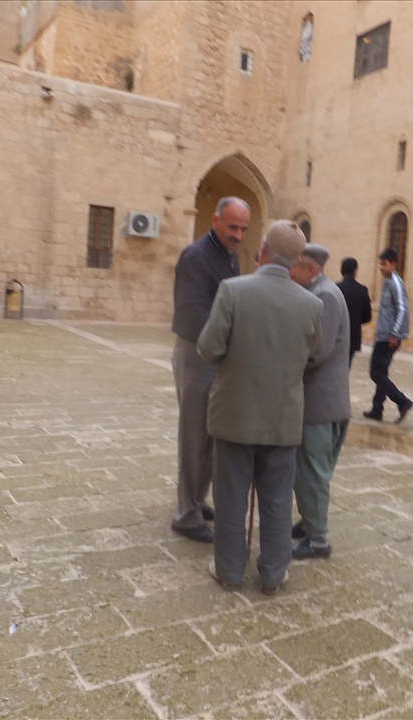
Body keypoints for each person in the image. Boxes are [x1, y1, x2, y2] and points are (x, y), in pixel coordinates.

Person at [197, 220, 323, 595]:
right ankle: (273, 574)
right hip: (283, 418)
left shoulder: (233, 290)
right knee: (278, 498)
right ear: (294, 259)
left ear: (264, 248)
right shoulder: (312, 303)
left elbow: (208, 348)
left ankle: (230, 571)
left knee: (231, 497)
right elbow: (313, 355)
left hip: (234, 413)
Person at [169, 197, 248, 543]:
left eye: (244, 228)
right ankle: (186, 515)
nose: (239, 234)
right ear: (215, 221)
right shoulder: (197, 256)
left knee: (210, 434)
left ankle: (198, 501)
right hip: (197, 354)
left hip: (215, 356)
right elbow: (191, 312)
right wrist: (223, 344)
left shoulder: (228, 255)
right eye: (233, 226)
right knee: (194, 435)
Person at [288, 244, 350, 559]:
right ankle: (310, 522)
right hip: (324, 402)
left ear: (309, 269)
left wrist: (281, 363)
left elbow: (317, 351)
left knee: (313, 472)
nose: (289, 272)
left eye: (293, 267)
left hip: (320, 403)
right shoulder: (322, 291)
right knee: (310, 470)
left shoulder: (323, 296)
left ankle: (318, 540)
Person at [363, 249, 413, 423]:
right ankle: (377, 409)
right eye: (380, 263)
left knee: (375, 373)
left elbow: (402, 309)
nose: (381, 267)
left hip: (390, 338)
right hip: (384, 336)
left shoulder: (396, 284)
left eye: (384, 264)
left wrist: (394, 334)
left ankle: (402, 401)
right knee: (381, 373)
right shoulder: (388, 282)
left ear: (394, 264)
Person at [337, 257, 372, 367]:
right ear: (355, 272)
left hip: (336, 335)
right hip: (353, 336)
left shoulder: (335, 288)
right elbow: (367, 316)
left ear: (341, 271)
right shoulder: (362, 290)